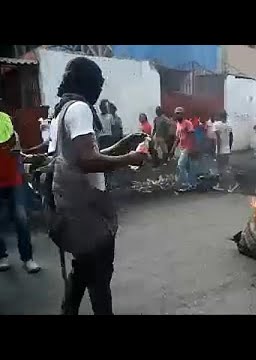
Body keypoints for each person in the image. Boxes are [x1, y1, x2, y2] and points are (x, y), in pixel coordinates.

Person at [48, 57, 148, 315]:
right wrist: (130, 159)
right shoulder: (80, 108)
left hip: (70, 205)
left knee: (83, 268)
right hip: (88, 210)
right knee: (99, 277)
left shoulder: (61, 110)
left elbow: (82, 154)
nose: (100, 89)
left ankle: (67, 311)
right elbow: (88, 160)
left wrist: (123, 145)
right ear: (89, 83)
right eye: (98, 83)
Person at [0, 112, 41, 273]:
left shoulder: (11, 132)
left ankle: (28, 258)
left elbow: (17, 154)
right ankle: (2, 256)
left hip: (14, 181)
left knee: (21, 218)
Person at [169, 107, 198, 192]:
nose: (177, 115)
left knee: (180, 165)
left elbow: (192, 136)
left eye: (179, 113)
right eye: (176, 113)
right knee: (188, 167)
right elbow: (177, 138)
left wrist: (191, 148)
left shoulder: (187, 123)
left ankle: (184, 184)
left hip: (187, 148)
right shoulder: (178, 124)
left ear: (183, 114)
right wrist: (173, 149)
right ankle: (192, 184)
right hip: (182, 148)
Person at [212, 111, 238, 192]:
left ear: (219, 116)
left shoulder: (216, 125)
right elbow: (231, 138)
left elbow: (218, 139)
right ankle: (222, 184)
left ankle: (232, 183)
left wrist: (218, 151)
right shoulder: (228, 125)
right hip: (226, 150)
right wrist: (229, 148)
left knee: (221, 168)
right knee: (224, 167)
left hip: (221, 150)